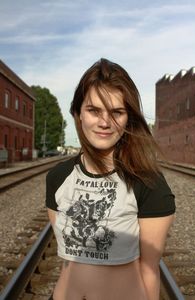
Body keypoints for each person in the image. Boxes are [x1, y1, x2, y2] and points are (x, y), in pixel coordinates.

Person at [46, 58, 175, 300]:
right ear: (78, 113)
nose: (105, 123)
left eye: (117, 112)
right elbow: (68, 258)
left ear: (129, 118)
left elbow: (149, 270)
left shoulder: (148, 183)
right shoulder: (58, 177)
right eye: (94, 110)